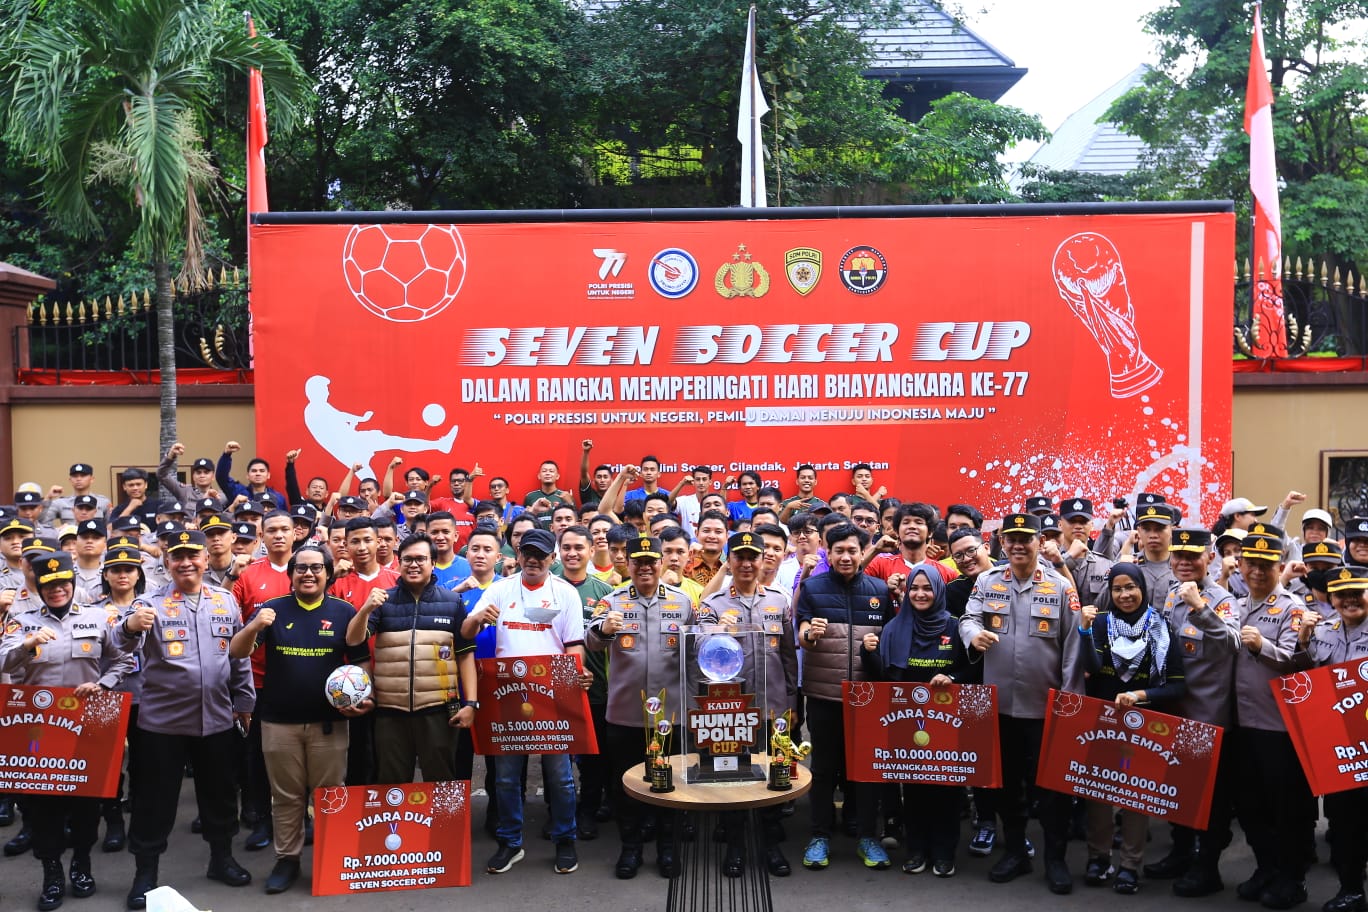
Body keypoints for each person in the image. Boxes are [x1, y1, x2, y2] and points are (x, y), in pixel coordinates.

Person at [118, 529, 256, 909]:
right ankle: (145, 873)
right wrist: (129, 626)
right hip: (162, 724)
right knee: (154, 800)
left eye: (193, 555)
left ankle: (221, 858)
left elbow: (238, 657)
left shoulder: (225, 600)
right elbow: (118, 644)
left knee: (220, 793)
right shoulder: (149, 603)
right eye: (177, 557)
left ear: (205, 559)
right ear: (167, 562)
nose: (186, 563)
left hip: (217, 718)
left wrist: (244, 701)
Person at [0, 551, 140, 910]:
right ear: (40, 586)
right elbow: (4, 662)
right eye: (49, 584)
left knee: (86, 803)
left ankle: (81, 863)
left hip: (89, 721)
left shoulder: (99, 616)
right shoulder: (22, 621)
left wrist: (103, 685)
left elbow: (123, 659)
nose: (57, 590)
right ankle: (51, 871)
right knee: (42, 805)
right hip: (38, 726)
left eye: (63, 583)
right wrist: (27, 645)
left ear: (73, 582)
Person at [229, 544, 371, 894]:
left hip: (329, 723)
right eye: (301, 568)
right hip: (279, 722)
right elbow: (237, 651)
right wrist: (254, 626)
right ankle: (287, 860)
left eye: (316, 568)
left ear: (328, 574)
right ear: (291, 575)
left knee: (331, 795)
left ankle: (332, 858)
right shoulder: (272, 610)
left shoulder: (344, 611)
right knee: (287, 797)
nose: (308, 574)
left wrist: (364, 696)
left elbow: (359, 660)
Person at [960, 513, 1084, 895]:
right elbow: (968, 617)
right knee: (1007, 786)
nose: (1017, 545)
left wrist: (1070, 703)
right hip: (999, 707)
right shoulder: (987, 581)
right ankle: (1016, 852)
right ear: (1001, 542)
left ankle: (1055, 859)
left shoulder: (1060, 587)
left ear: (1039, 542)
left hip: (1045, 709)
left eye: (1025, 538)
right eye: (1010, 538)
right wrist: (973, 634)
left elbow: (1074, 648)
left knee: (1052, 790)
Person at [462, 528, 590, 875]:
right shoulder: (499, 589)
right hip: (507, 692)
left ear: (552, 558)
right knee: (506, 777)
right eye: (527, 553)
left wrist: (577, 674)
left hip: (554, 692)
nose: (533, 560)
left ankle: (565, 839)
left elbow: (574, 645)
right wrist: (476, 619)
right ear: (517, 555)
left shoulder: (565, 593)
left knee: (560, 777)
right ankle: (510, 842)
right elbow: (466, 633)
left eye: (540, 555)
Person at [586, 535, 698, 880]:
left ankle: (668, 849)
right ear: (629, 564)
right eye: (639, 562)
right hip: (625, 714)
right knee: (626, 786)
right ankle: (630, 848)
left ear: (661, 563)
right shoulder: (612, 600)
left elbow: (695, 653)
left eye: (651, 562)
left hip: (671, 714)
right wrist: (605, 630)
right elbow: (590, 640)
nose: (645, 568)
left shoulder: (682, 602)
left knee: (670, 784)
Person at [1077, 564, 1187, 895]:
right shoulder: (1100, 623)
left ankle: (1129, 865)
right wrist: (1084, 631)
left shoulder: (1161, 627)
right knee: (1097, 794)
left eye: (1131, 587)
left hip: (1144, 724)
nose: (1125, 595)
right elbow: (1091, 667)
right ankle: (1098, 858)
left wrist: (1139, 695)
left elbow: (1177, 686)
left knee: (1135, 797)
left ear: (1142, 589)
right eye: (1117, 589)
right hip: (1102, 722)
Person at [859, 565, 974, 878]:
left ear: (939, 590)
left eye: (927, 588)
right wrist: (867, 653)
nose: (920, 594)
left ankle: (944, 852)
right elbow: (882, 677)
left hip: (947, 722)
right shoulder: (894, 628)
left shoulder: (955, 626)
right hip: (907, 720)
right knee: (913, 789)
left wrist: (951, 677)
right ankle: (917, 850)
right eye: (914, 588)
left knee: (946, 790)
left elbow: (973, 669)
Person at [1145, 529, 1241, 896]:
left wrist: (1201, 607)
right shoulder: (1172, 594)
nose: (1184, 562)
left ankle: (1208, 868)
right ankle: (1181, 853)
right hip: (1175, 713)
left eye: (1193, 556)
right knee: (1177, 791)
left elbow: (1233, 643)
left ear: (1210, 558)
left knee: (1210, 801)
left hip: (1208, 717)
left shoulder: (1222, 600)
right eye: (1179, 555)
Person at [796, 523, 894, 871]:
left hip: (868, 697)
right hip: (824, 694)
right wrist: (810, 635)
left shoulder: (879, 590)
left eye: (853, 550)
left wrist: (876, 648)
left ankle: (867, 836)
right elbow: (801, 631)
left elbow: (890, 638)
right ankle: (819, 835)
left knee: (866, 770)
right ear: (828, 551)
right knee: (823, 769)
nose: (846, 557)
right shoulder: (813, 587)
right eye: (839, 551)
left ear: (863, 551)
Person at [1228, 523, 1316, 910]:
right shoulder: (1234, 605)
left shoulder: (1293, 608)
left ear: (1280, 566)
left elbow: (1298, 664)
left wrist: (1262, 645)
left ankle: (1292, 878)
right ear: (1241, 566)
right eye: (1252, 564)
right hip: (1240, 722)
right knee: (1250, 805)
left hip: (1278, 727)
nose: (1258, 571)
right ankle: (1266, 867)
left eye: (1267, 564)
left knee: (1286, 808)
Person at [702, 531, 799, 877]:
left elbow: (788, 657)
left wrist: (791, 701)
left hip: (773, 705)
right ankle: (736, 846)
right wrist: (714, 631)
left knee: (774, 774)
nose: (746, 564)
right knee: (734, 777)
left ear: (762, 560)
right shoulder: (713, 604)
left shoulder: (779, 601)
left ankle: (770, 844)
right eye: (739, 557)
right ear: (729, 561)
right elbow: (696, 650)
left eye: (752, 557)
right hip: (731, 710)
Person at [344, 532, 476, 783]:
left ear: (432, 563)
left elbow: (465, 654)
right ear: (399, 562)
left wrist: (470, 704)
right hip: (390, 712)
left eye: (420, 559)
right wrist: (366, 609)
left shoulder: (452, 602)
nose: (413, 565)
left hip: (439, 711)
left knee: (441, 784)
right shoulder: (383, 601)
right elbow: (353, 639)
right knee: (392, 787)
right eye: (407, 559)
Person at [1293, 565, 1368, 912]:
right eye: (1341, 595)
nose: (1350, 600)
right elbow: (1304, 682)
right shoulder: (1322, 631)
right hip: (1339, 750)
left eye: (1357, 593)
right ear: (1331, 599)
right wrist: (1303, 641)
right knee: (1343, 820)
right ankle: (1351, 890)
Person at [554, 526, 615, 838]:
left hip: (595, 688)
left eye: (579, 547)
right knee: (556, 758)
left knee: (593, 757)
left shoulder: (605, 592)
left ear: (592, 551)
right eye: (566, 547)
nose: (572, 553)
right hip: (551, 690)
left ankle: (588, 811)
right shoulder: (547, 586)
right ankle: (557, 814)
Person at [217, 442, 287, 508]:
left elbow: (283, 516)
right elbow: (222, 478)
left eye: (262, 471)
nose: (258, 473)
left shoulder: (278, 498)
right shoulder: (238, 492)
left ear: (268, 475)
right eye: (254, 471)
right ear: (247, 476)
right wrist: (226, 455)